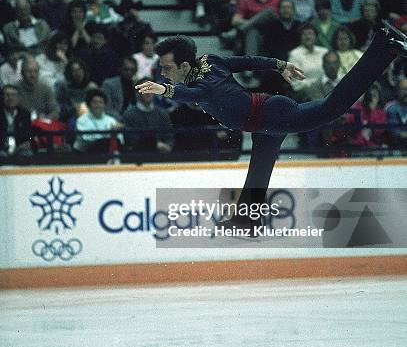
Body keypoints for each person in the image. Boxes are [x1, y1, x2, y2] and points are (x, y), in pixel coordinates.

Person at [136, 25, 406, 229]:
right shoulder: (210, 62)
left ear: (184, 65)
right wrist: (279, 64)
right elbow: (245, 61)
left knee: (332, 106)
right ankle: (246, 220)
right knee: (260, 168)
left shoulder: (203, 83)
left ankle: (384, 47)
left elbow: (198, 95)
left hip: (273, 114)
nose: (163, 72)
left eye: (167, 68)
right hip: (263, 123)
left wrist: (166, 90)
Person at [123, 78, 174, 153]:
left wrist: (168, 146)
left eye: (151, 89)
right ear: (137, 93)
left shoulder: (162, 113)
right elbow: (130, 139)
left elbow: (169, 136)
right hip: (137, 155)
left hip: (161, 155)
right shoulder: (129, 114)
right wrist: (154, 144)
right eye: (145, 89)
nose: (149, 92)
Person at [74, 88, 123, 154]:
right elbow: (87, 139)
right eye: (94, 102)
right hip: (86, 154)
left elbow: (120, 140)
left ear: (104, 105)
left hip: (107, 154)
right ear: (89, 105)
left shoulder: (111, 120)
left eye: (100, 102)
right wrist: (109, 134)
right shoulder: (81, 120)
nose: (98, 105)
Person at [0, 85, 32, 158]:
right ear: (2, 97)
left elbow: (29, 136)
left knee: (27, 154)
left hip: (20, 148)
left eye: (13, 95)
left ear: (18, 98)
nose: (10, 98)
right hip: (2, 149)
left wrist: (26, 144)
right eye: (7, 95)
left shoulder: (25, 114)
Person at [385, 77, 407, 147]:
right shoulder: (391, 108)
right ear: (398, 90)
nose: (406, 92)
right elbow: (394, 133)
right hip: (397, 148)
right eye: (404, 89)